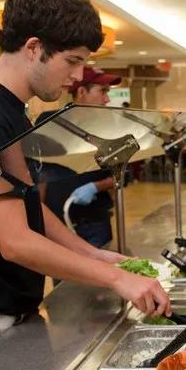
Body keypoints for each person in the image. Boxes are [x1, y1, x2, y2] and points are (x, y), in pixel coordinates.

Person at [0, 0, 171, 356]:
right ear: (33, 48)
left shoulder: (11, 110)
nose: (77, 76)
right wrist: (117, 278)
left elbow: (28, 204)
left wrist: (93, 255)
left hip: (17, 306)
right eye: (72, 61)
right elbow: (14, 242)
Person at [35, 67, 122, 248]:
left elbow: (121, 175)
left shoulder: (109, 127)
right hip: (56, 222)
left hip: (94, 224)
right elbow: (39, 171)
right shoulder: (50, 122)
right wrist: (38, 215)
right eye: (102, 91)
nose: (107, 99)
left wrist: (95, 186)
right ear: (81, 92)